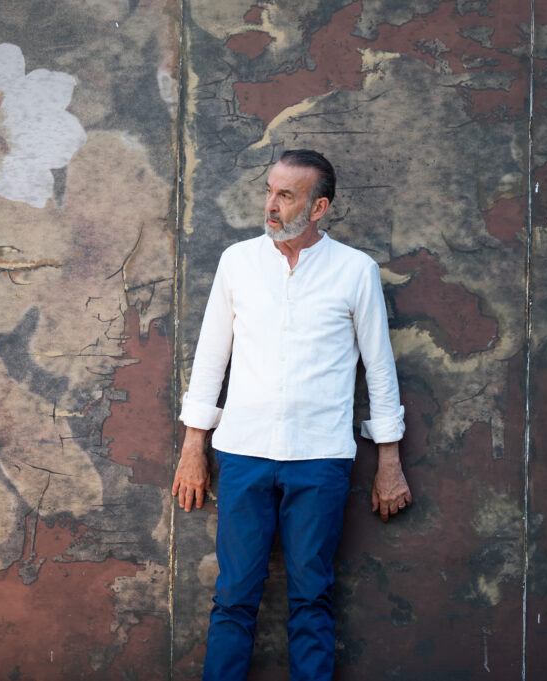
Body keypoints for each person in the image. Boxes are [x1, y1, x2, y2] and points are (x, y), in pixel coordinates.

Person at [172, 149, 412, 681]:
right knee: (233, 596)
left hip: (319, 458)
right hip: (243, 453)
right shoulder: (238, 261)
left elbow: (380, 368)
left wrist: (388, 461)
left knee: (312, 597)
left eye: (286, 195)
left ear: (319, 206)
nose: (271, 205)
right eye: (269, 190)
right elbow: (211, 357)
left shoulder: (355, 271)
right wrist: (194, 449)